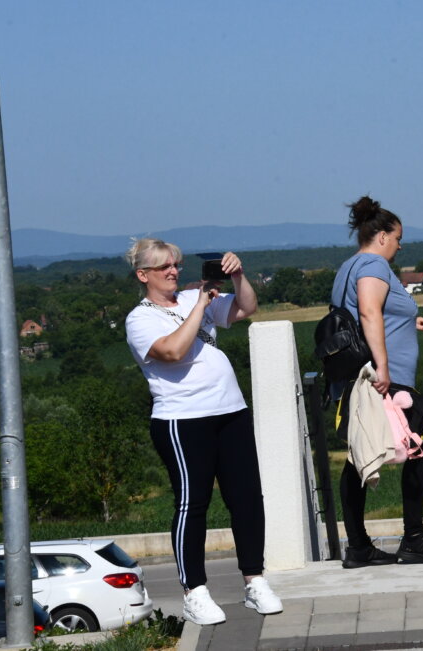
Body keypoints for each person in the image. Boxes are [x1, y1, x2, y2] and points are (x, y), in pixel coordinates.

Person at [124, 238, 282, 625]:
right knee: (192, 504)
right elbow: (173, 351)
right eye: (164, 267)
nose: (173, 271)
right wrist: (199, 305)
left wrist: (238, 276)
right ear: (143, 275)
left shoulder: (194, 297)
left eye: (176, 265)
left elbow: (246, 307)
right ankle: (194, 591)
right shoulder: (140, 319)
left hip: (230, 412)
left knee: (247, 499)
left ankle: (254, 580)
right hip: (182, 420)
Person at [331, 195, 423, 568]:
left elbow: (367, 312)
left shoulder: (348, 266)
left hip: (358, 377)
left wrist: (407, 321)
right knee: (421, 447)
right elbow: (368, 311)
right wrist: (383, 367)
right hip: (384, 380)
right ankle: (414, 538)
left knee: (359, 456)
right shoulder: (374, 264)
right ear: (382, 236)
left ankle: (359, 546)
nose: (400, 246)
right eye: (398, 238)